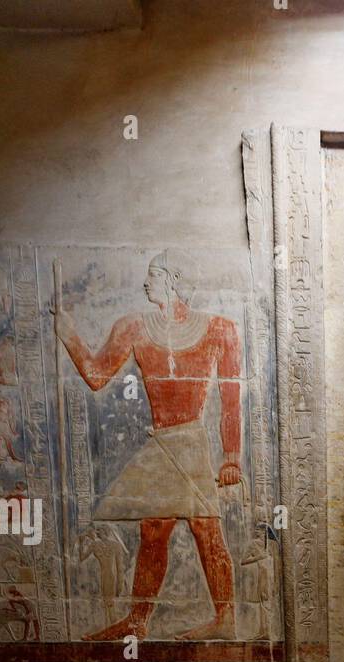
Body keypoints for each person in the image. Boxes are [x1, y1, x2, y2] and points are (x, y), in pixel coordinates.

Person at [53, 252, 242, 640]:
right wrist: (68, 333)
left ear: (173, 279)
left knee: (206, 530)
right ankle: (138, 622)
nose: (145, 283)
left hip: (191, 440)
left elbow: (232, 397)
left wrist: (233, 457)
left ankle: (225, 618)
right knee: (153, 532)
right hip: (162, 444)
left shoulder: (220, 329)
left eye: (153, 275)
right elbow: (95, 375)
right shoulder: (134, 327)